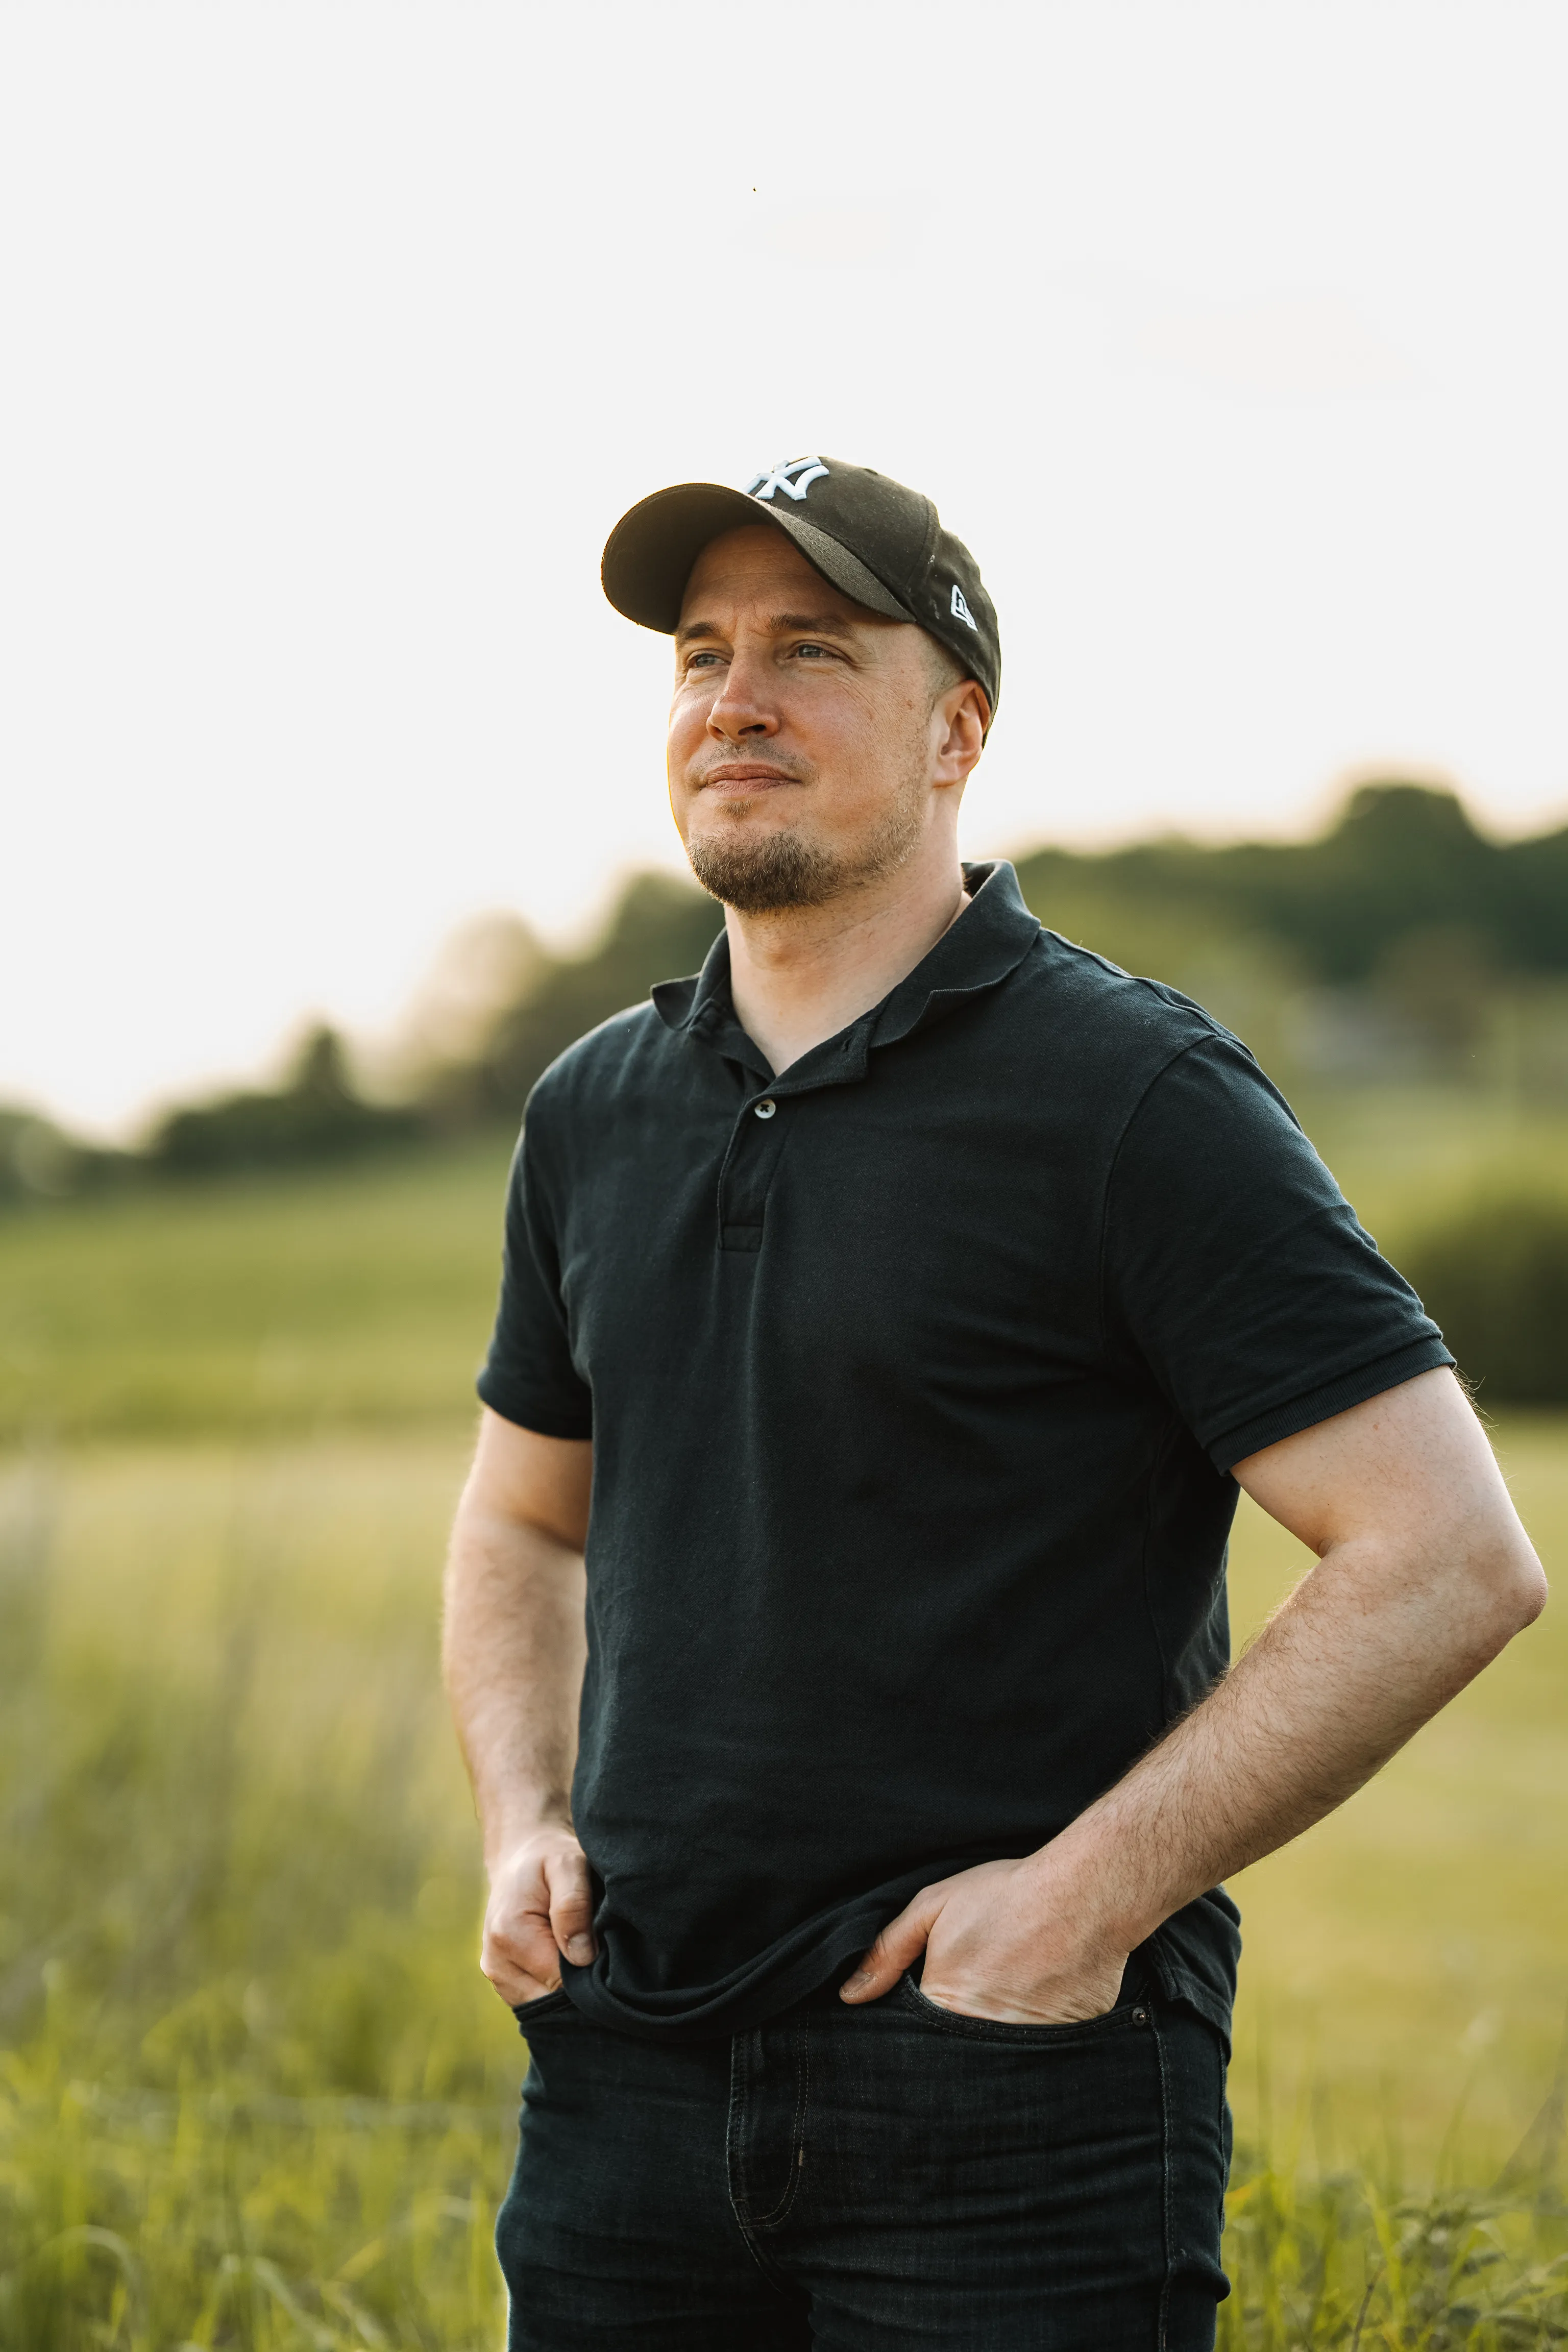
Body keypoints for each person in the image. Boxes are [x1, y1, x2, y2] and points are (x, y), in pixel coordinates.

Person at [443, 455, 1547, 2351]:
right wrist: (521, 1819)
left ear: (960, 726)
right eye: (701, 654)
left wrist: (1075, 1909)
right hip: (622, 2080)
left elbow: (1447, 1556)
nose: (736, 699)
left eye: (811, 650)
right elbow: (524, 1518)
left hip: (1009, 2096)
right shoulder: (593, 1112)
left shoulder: (1131, 1099)